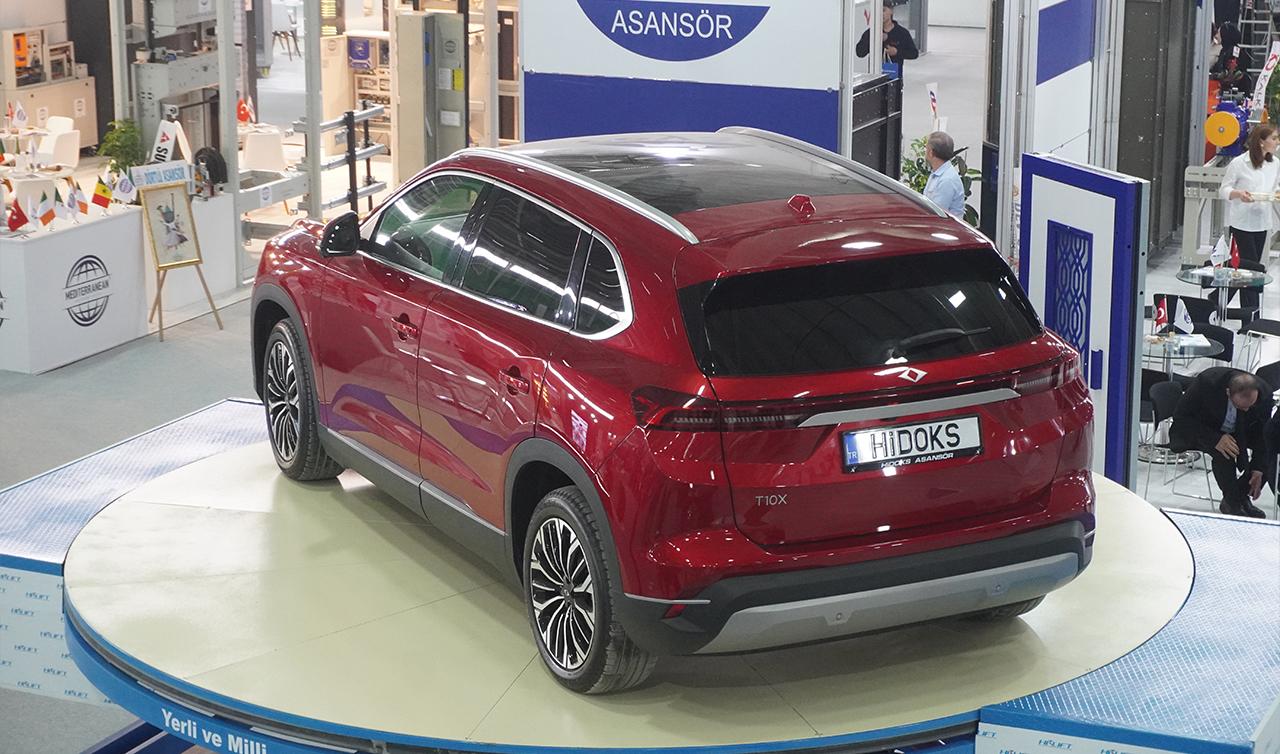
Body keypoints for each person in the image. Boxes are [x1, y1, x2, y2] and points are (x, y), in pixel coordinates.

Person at [1169, 367, 1271, 518]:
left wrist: (1258, 468)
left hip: (1241, 429)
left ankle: (1239, 497)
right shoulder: (1206, 383)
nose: (1246, 410)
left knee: (1270, 454)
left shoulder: (1264, 394)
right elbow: (1181, 416)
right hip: (1203, 429)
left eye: (1250, 406)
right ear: (1228, 392)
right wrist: (1215, 439)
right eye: (1241, 406)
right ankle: (1233, 503)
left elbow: (1263, 434)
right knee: (1225, 452)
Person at [1215, 124, 1278, 321]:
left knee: (1245, 271)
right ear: (1261, 142)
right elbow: (1224, 190)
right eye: (1274, 138)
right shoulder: (1239, 163)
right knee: (1250, 270)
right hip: (1241, 223)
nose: (1277, 142)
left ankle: (1217, 300)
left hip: (1262, 222)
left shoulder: (1274, 163)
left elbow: (1275, 186)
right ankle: (1251, 318)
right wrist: (1238, 194)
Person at [856, 0, 918, 81]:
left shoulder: (902, 33)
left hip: (894, 79)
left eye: (884, 10)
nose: (881, 14)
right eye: (878, 11)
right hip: (875, 79)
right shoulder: (871, 33)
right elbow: (859, 52)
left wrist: (897, 52)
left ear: (891, 11)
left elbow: (914, 53)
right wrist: (873, 41)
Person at [922, 131, 965, 218]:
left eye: (926, 149)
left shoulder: (947, 180)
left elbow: (936, 213)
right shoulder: (938, 173)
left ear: (931, 152)